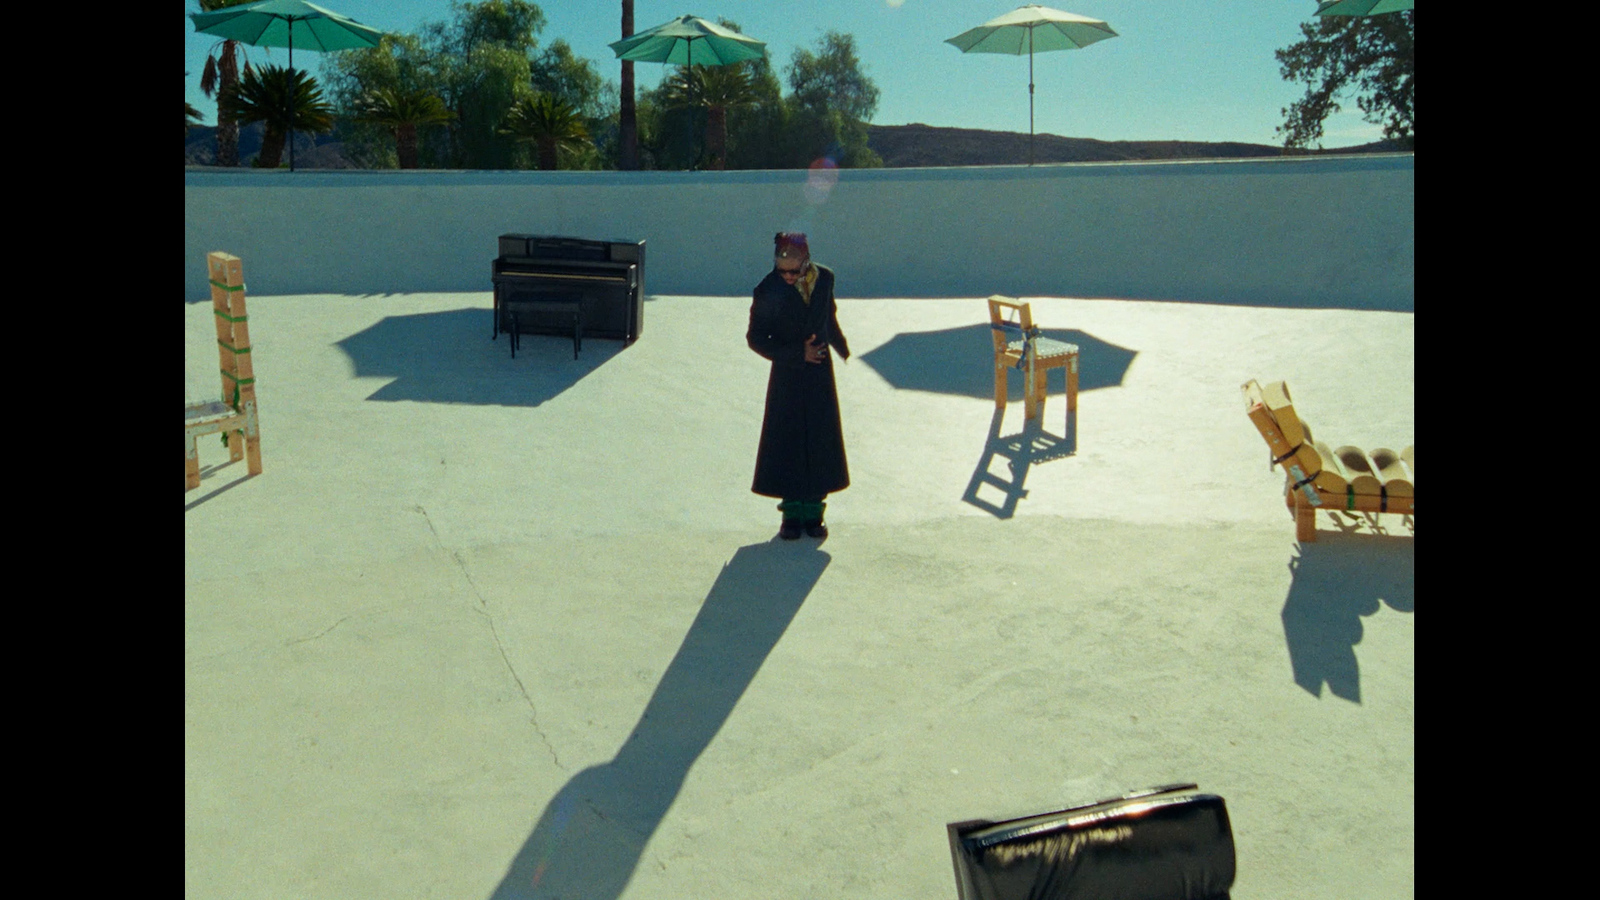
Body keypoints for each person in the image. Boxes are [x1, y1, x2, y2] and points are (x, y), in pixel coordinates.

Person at [747, 232, 850, 540]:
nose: (789, 277)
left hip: (819, 375)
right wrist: (796, 353)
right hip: (788, 376)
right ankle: (791, 515)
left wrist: (840, 345)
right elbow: (756, 338)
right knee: (788, 442)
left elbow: (827, 315)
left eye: (795, 270)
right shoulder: (767, 290)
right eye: (783, 271)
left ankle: (814, 513)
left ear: (807, 261)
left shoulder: (825, 278)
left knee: (819, 441)